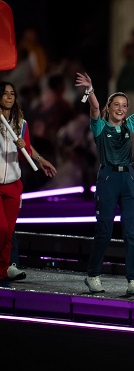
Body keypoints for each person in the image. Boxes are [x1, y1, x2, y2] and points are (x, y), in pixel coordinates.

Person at [74, 54, 134, 296]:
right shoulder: (100, 127)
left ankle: (133, 281)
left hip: (129, 180)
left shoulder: (129, 125)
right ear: (109, 107)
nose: (122, 109)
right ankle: (93, 275)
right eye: (117, 105)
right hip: (107, 178)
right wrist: (92, 90)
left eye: (125, 106)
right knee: (104, 229)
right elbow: (94, 107)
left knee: (132, 232)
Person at [0, 81, 57, 285]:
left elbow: (25, 155)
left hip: (13, 183)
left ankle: (3, 271)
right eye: (5, 93)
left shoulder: (21, 123)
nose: (9, 96)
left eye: (12, 93)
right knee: (2, 227)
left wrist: (37, 158)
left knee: (8, 231)